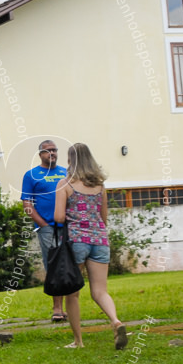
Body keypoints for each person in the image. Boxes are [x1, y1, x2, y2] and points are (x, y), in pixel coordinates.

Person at [53, 142, 127, 350]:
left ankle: (78, 341)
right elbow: (104, 218)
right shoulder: (100, 186)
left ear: (70, 161)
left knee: (73, 293)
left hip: (76, 241)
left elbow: (58, 217)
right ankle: (116, 322)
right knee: (100, 292)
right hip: (100, 240)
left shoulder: (64, 184)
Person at [21, 139, 70, 322]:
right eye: (48, 151)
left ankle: (69, 307)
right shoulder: (32, 175)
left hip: (67, 226)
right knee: (53, 266)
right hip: (47, 228)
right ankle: (57, 308)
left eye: (55, 150)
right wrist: (42, 224)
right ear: (40, 154)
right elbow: (27, 203)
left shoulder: (66, 173)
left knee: (67, 266)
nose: (52, 153)